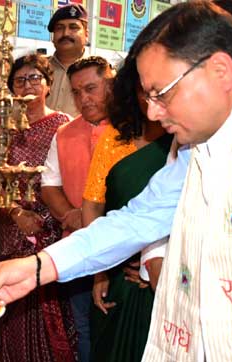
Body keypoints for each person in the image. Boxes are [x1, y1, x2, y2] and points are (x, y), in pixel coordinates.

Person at [0, 1, 232, 360]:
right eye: (148, 96)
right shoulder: (195, 139)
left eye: (162, 93)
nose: (152, 111)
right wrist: (40, 266)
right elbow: (139, 218)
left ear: (219, 70)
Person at [0, 53, 76, 362]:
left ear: (49, 85)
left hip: (45, 227)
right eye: (20, 80)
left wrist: (45, 220)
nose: (28, 85)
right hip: (4, 223)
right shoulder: (0, 127)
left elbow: (69, 182)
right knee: (7, 307)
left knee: (43, 311)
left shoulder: (64, 126)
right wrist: (16, 213)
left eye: (35, 78)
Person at [86, 53, 171, 362]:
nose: (151, 101)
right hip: (118, 269)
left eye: (160, 91)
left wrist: (162, 263)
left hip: (170, 279)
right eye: (143, 90)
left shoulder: (190, 142)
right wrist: (100, 272)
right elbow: (93, 208)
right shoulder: (113, 139)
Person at [40, 55, 115, 362]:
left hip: (128, 254)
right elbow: (49, 185)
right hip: (79, 244)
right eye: (76, 92)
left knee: (118, 327)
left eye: (91, 88)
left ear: (111, 84)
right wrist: (73, 216)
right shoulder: (65, 133)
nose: (84, 98)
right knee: (82, 326)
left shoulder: (137, 130)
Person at [45, 3, 88, 117]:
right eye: (59, 28)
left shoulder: (99, 72)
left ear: (86, 34)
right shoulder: (37, 69)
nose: (65, 33)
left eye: (73, 27)